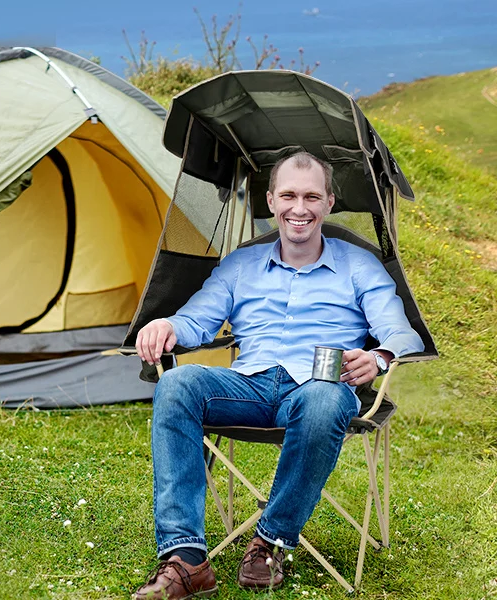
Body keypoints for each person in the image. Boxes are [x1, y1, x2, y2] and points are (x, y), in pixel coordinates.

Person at [130, 151, 424, 599]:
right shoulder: (240, 265)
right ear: (270, 201)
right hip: (247, 385)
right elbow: (198, 321)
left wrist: (379, 356)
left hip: (319, 387)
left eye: (311, 197)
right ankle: (186, 559)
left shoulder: (359, 265)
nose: (299, 209)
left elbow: (404, 334)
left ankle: (269, 542)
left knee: (324, 400)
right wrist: (167, 325)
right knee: (176, 383)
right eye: (288, 195)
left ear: (329, 202)